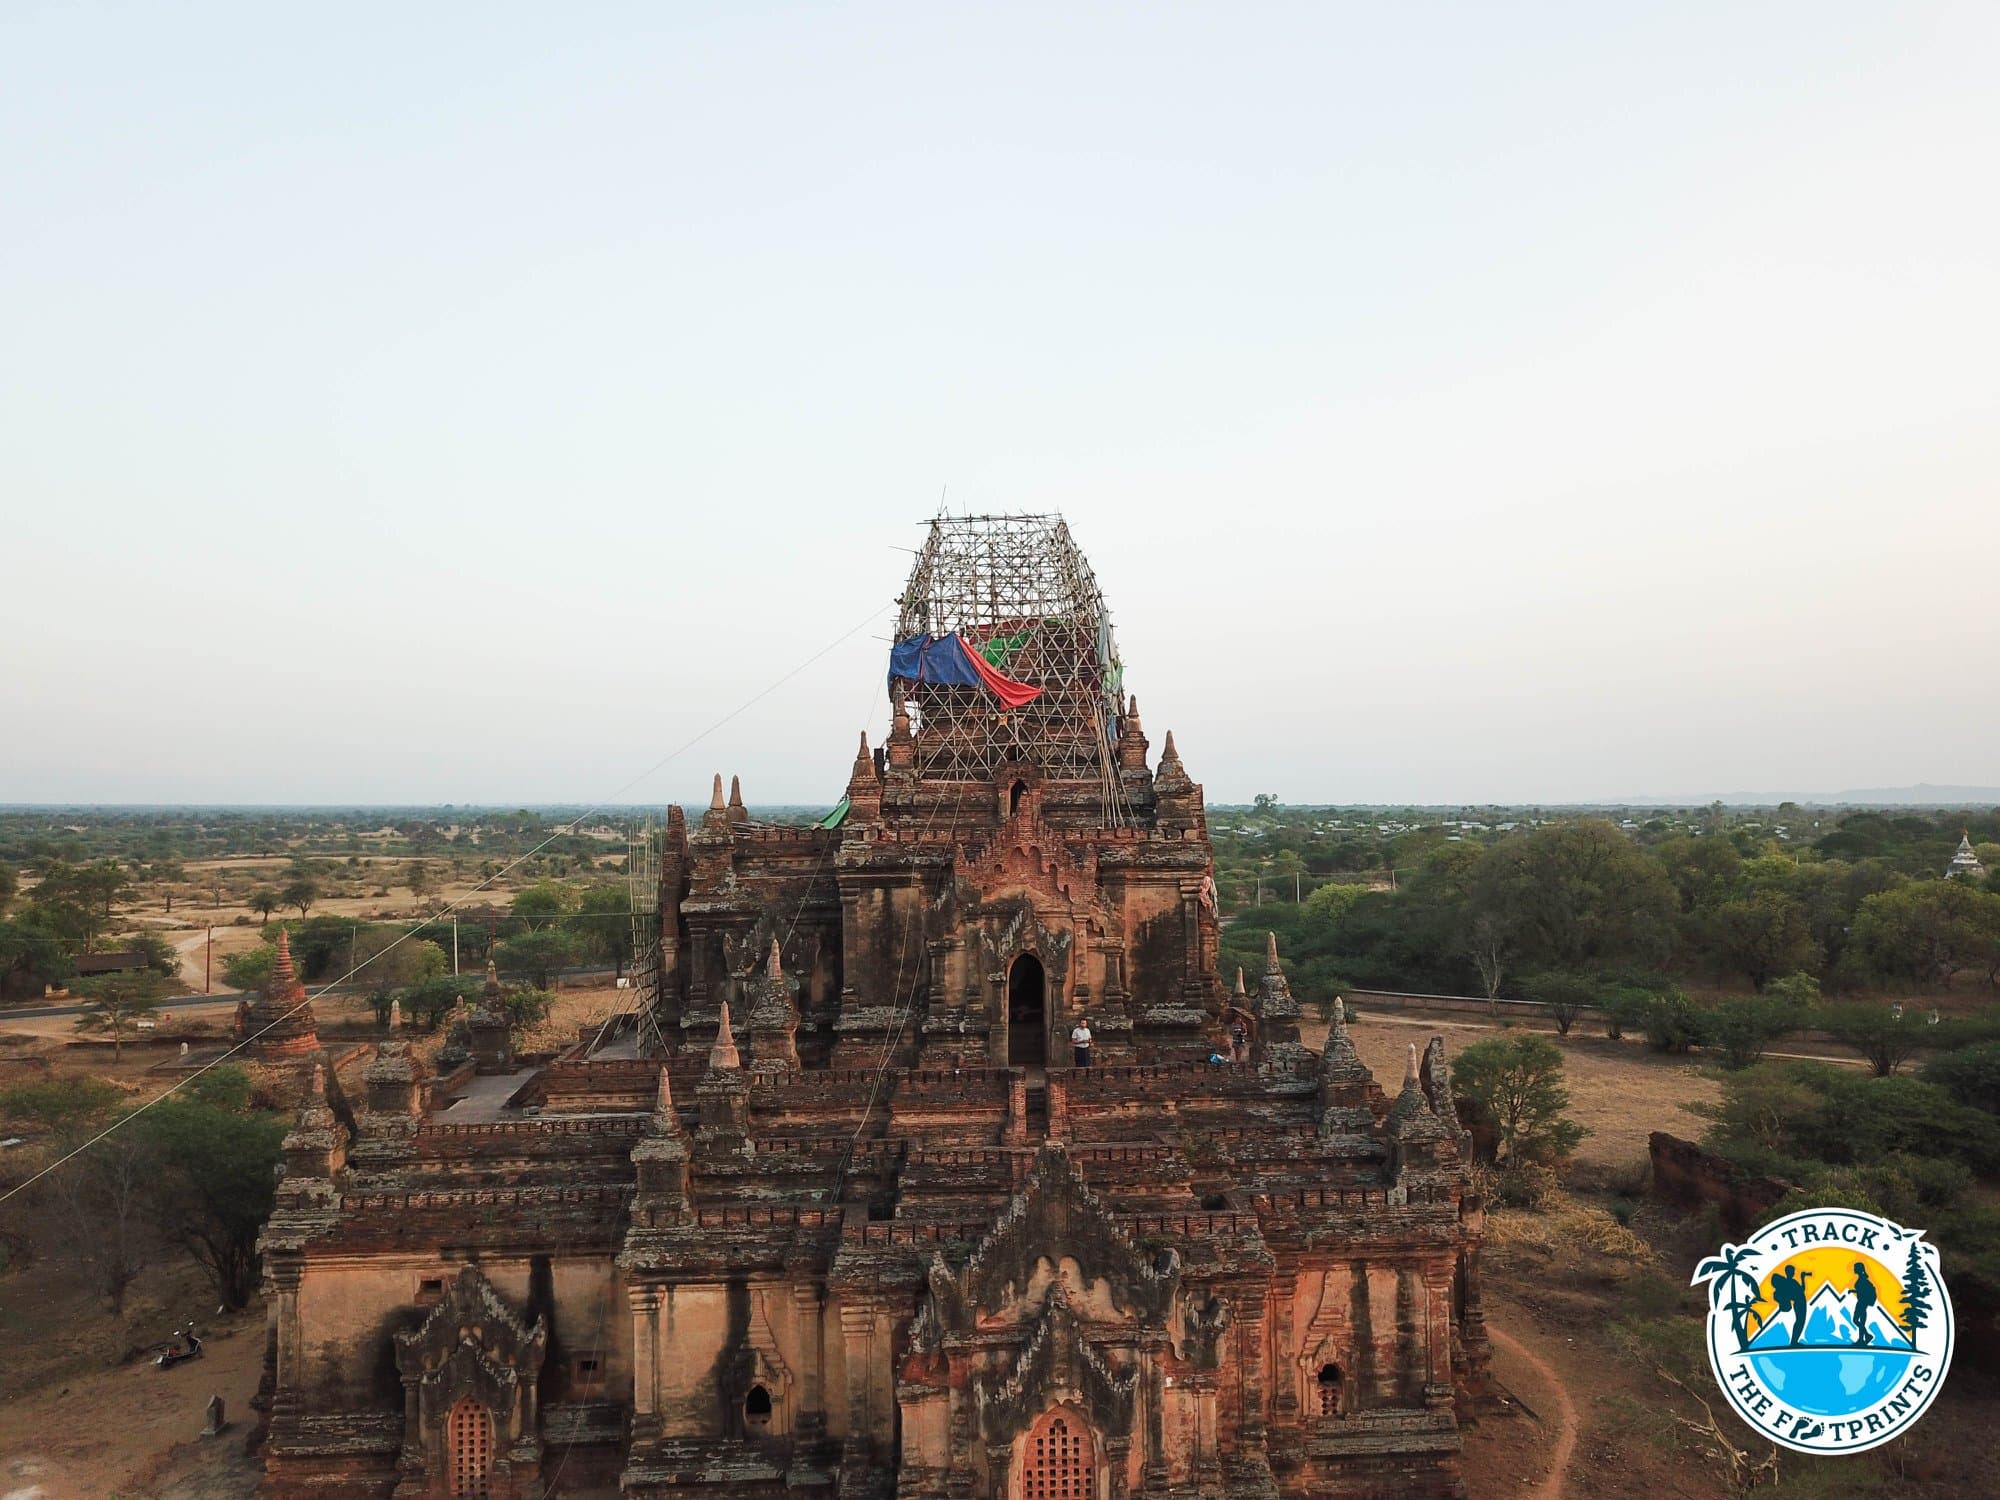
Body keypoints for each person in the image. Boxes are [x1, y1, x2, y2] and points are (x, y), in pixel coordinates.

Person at [1770, 1265, 1810, 1345]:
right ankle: (1794, 1342)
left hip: (1800, 1302)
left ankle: (1794, 1341)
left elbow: (1801, 1290)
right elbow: (1801, 1290)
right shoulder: (1790, 1282)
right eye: (1792, 1271)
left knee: (1800, 1322)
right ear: (1788, 1272)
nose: (1793, 1273)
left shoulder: (1791, 1282)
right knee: (1800, 1322)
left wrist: (1802, 1278)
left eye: (1793, 1271)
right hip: (1799, 1303)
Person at [1851, 1262, 1879, 1346]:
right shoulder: (1862, 1278)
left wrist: (1856, 1291)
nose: (1854, 1269)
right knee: (1861, 1322)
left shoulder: (1862, 1279)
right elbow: (1862, 1290)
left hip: (1862, 1302)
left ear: (1859, 1269)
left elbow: (1863, 1291)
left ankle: (1866, 1336)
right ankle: (1861, 1339)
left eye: (1855, 1268)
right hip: (1863, 1302)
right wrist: (1854, 1291)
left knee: (1855, 1320)